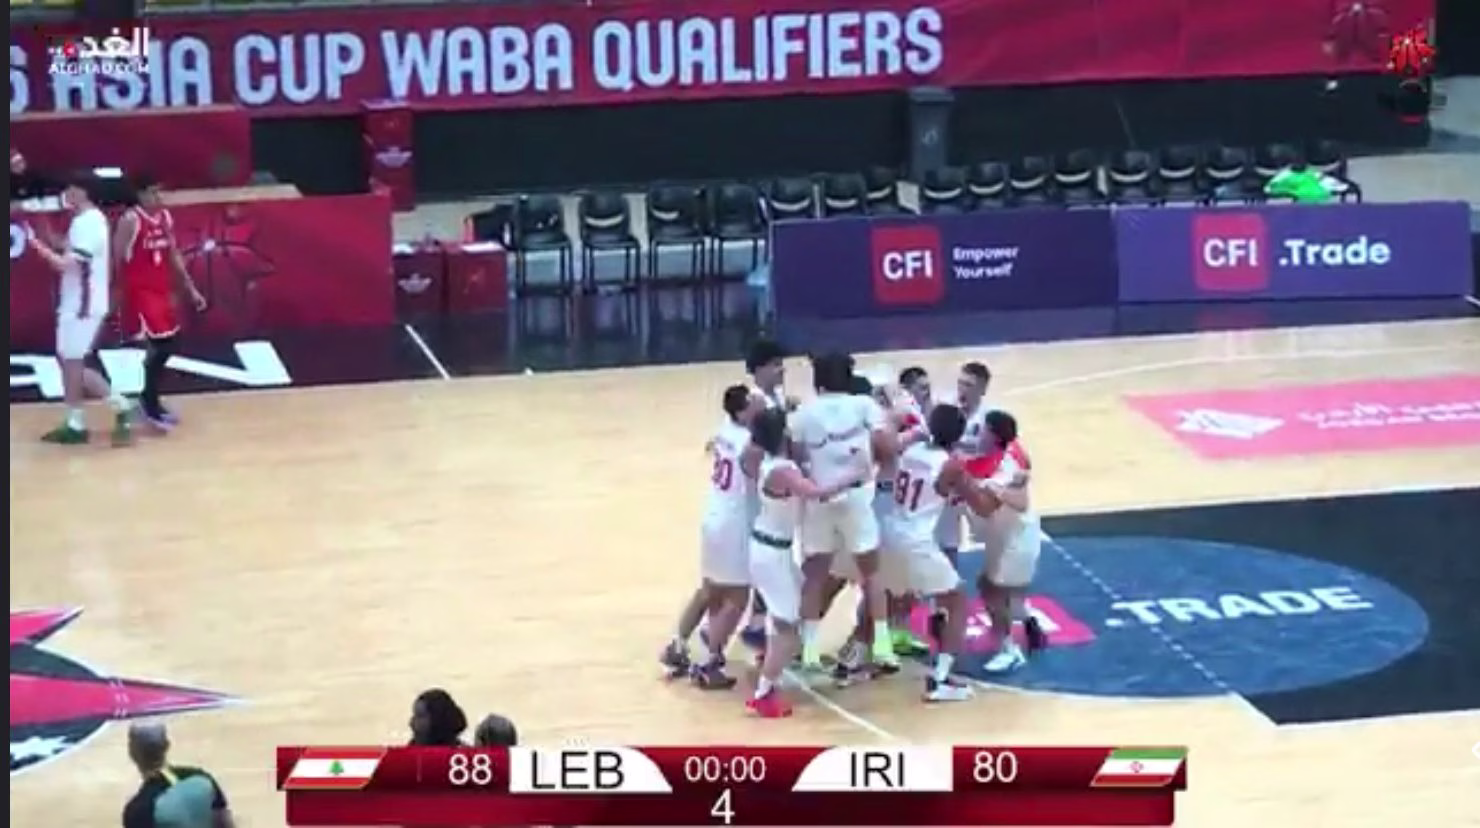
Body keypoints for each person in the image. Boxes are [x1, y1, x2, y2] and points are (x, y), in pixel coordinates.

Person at [745, 407, 867, 718]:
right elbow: (816, 493)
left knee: (791, 614)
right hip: (771, 553)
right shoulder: (782, 470)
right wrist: (853, 475)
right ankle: (764, 691)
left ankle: (768, 658)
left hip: (772, 548)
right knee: (789, 628)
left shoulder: (772, 463)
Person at [790, 352, 899, 671]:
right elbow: (887, 447)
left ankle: (809, 650)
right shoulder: (864, 406)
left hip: (820, 500)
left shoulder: (804, 414)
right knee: (872, 574)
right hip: (856, 498)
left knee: (815, 575)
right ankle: (882, 646)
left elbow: (796, 455)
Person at [661, 385, 758, 689]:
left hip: (713, 514)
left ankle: (677, 645)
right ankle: (708, 663)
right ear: (741, 411)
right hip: (734, 523)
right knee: (738, 597)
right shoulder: (748, 443)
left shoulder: (725, 430)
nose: (759, 407)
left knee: (709, 590)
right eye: (754, 404)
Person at [25, 174, 134, 445]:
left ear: (83, 192)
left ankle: (119, 406)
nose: (66, 193)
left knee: (74, 363)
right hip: (73, 301)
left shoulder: (92, 222)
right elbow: (64, 246)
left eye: (70, 188)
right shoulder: (81, 220)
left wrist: (34, 244)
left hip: (85, 305)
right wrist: (43, 227)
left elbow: (66, 264)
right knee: (68, 362)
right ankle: (76, 421)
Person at [114, 175, 208, 431]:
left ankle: (148, 396)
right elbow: (117, 258)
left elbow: (173, 254)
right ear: (141, 195)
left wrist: (191, 289)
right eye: (153, 192)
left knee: (167, 344)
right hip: (140, 291)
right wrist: (117, 294)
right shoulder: (131, 219)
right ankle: (149, 401)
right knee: (165, 344)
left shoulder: (165, 217)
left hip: (161, 290)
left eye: (160, 192)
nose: (158, 197)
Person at [966, 411, 1044, 673]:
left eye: (983, 429)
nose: (979, 433)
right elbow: (1026, 462)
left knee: (994, 592)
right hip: (1003, 534)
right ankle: (1026, 624)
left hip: (1017, 538)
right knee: (990, 588)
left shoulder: (1007, 465)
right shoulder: (1010, 450)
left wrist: (990, 488)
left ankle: (1010, 650)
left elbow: (1020, 502)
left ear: (994, 435)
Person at [737, 338, 793, 648]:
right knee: (769, 561)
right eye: (775, 365)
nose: (781, 370)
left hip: (773, 494)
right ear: (758, 370)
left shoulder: (775, 396)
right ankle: (759, 624)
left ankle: (758, 623)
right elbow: (751, 452)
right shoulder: (755, 404)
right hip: (761, 495)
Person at [121, 722, 235, 828]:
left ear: (132, 753)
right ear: (167, 745)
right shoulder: (202, 778)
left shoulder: (137, 811)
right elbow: (226, 823)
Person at [935, 362, 993, 565]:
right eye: (960, 383)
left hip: (975, 484)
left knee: (994, 536)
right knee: (947, 540)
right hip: (950, 483)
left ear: (982, 389)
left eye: (969, 385)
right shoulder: (945, 410)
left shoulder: (989, 418)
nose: (962, 389)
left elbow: (995, 455)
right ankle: (949, 580)